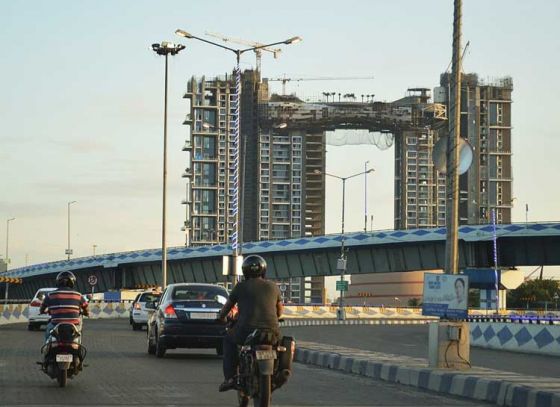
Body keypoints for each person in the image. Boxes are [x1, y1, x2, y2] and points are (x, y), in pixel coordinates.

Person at [216, 254, 283, 392]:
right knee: (282, 346)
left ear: (245, 271)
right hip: (272, 332)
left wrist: (221, 318)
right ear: (263, 270)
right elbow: (280, 311)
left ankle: (229, 378)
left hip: (246, 331)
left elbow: (227, 308)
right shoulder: (273, 287)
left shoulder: (240, 287)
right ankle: (281, 371)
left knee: (229, 339)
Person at [40, 271, 89, 343]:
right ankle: (79, 344)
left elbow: (42, 307)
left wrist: (42, 311)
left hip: (55, 324)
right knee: (79, 333)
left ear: (58, 282)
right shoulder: (78, 295)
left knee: (48, 332)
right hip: (74, 325)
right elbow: (86, 307)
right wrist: (86, 313)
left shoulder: (50, 295)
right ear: (72, 282)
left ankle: (46, 349)